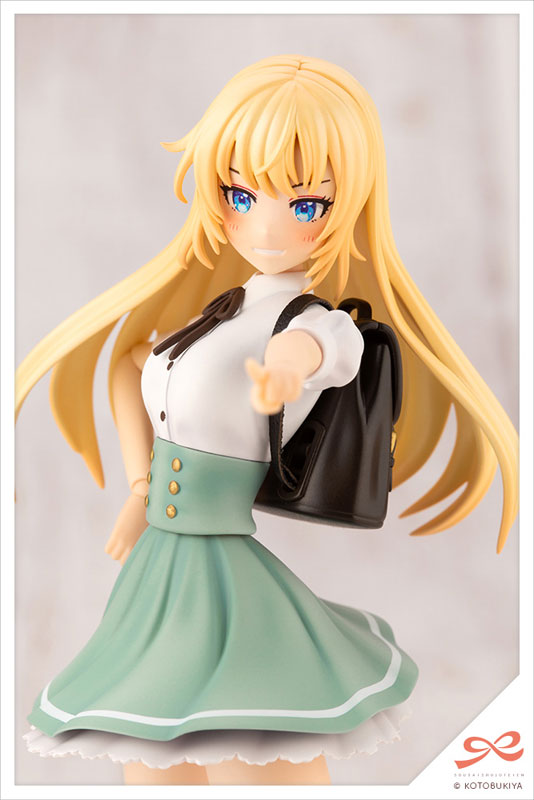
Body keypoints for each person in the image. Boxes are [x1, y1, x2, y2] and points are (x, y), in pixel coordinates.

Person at [16, 55, 518, 786]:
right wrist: (139, 488)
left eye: (306, 204)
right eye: (241, 194)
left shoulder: (317, 322)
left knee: (254, 756)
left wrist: (286, 369)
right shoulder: (220, 313)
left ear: (348, 205)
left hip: (223, 574)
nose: (268, 224)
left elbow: (322, 351)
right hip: (159, 572)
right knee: (151, 763)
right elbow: (130, 366)